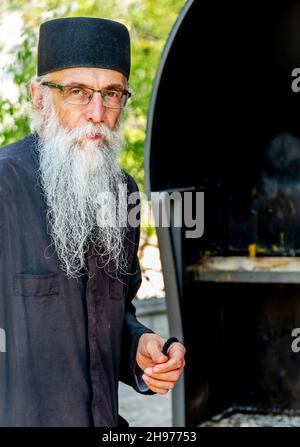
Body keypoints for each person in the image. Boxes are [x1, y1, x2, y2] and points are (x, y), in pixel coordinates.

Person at [0, 17, 186, 427]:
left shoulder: (123, 192)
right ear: (38, 95)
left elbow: (110, 318)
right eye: (77, 92)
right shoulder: (4, 186)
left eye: (112, 93)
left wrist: (141, 346)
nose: (98, 113)